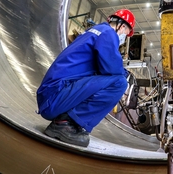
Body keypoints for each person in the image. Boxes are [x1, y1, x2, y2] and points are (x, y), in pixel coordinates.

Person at [36, 9, 136, 147]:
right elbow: (112, 69)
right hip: (55, 98)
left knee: (110, 79)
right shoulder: (108, 33)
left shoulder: (95, 30)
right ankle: (66, 123)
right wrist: (125, 73)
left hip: (50, 95)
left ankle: (66, 121)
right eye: (126, 33)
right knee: (119, 83)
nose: (125, 36)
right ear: (122, 26)